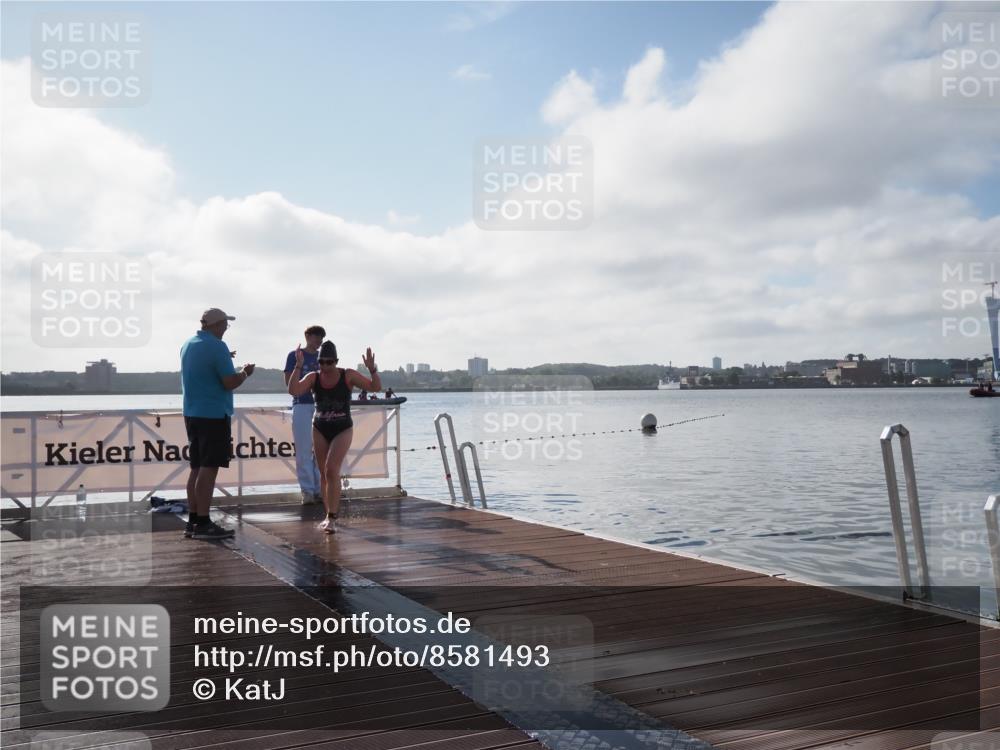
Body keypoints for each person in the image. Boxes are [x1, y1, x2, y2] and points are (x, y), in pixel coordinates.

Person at [288, 341, 380, 533]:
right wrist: (298, 366)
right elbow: (294, 390)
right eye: (322, 362)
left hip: (342, 428)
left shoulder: (348, 375)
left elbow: (375, 388)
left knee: (331, 469)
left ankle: (332, 518)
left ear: (336, 362)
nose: (325, 367)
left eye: (329, 363)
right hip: (320, 427)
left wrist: (372, 369)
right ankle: (328, 513)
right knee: (323, 474)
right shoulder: (313, 377)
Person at [180, 308, 255, 539]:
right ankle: (203, 522)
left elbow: (204, 367)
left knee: (196, 467)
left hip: (192, 413)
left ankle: (193, 520)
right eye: (224, 324)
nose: (225, 328)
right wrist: (244, 373)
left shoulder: (189, 343)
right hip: (212, 414)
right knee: (209, 468)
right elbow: (229, 382)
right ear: (214, 325)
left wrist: (224, 358)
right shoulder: (216, 346)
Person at [283, 325, 325, 505]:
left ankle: (320, 489)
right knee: (303, 450)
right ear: (307, 336)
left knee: (321, 450)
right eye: (316, 337)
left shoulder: (323, 357)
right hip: (301, 405)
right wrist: (299, 367)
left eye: (321, 339)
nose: (319, 342)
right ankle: (307, 491)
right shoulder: (294, 356)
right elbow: (289, 385)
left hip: (321, 407)